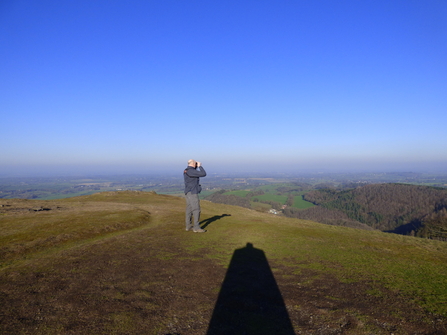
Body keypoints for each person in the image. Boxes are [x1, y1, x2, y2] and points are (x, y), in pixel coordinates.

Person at [184, 159, 207, 232]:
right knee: (196, 209)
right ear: (193, 163)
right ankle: (196, 227)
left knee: (189, 209)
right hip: (192, 192)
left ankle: (188, 226)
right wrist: (200, 166)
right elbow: (203, 174)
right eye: (195, 163)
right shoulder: (191, 171)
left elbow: (194, 173)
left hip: (188, 192)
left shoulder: (187, 170)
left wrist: (196, 166)